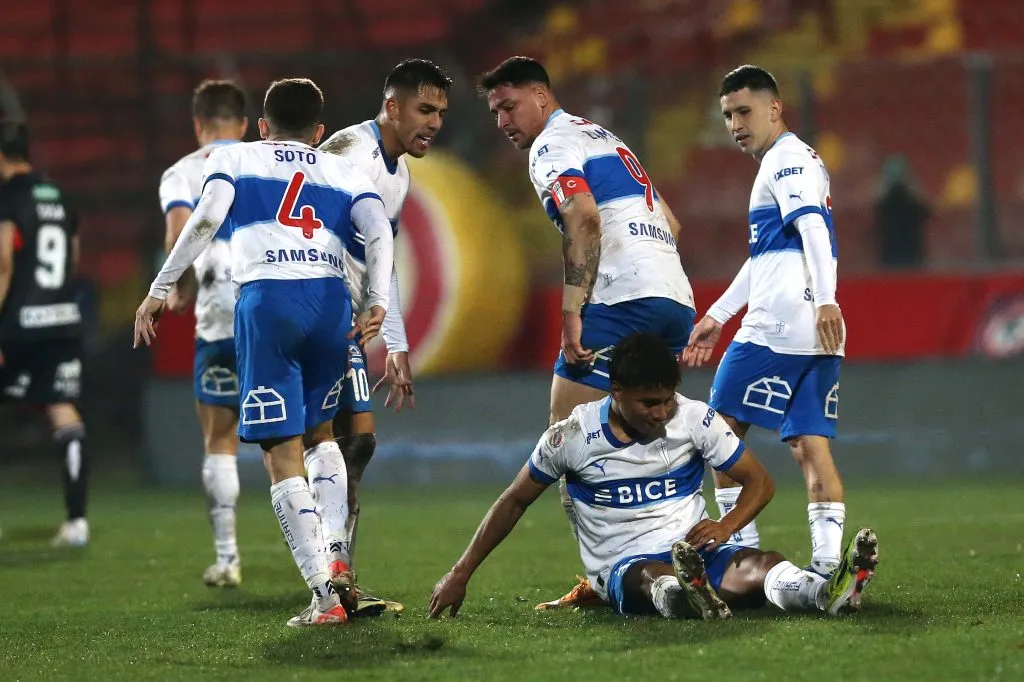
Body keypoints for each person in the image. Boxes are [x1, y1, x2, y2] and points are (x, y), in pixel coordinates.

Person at [134, 78, 395, 627]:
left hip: (267, 301)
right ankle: (338, 563)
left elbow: (204, 220)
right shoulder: (342, 170)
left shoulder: (238, 157)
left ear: (262, 125)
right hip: (328, 304)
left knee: (280, 450)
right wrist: (376, 299)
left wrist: (160, 289)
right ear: (320, 131)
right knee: (324, 437)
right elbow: (378, 231)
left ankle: (324, 600)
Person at [429, 333, 878, 620]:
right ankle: (686, 595)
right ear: (617, 392)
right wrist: (460, 572)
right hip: (623, 566)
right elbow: (513, 501)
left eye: (667, 400)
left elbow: (760, 481)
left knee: (759, 564)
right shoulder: (572, 436)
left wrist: (725, 527)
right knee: (651, 576)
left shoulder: (695, 419)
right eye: (649, 403)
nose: (661, 413)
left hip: (696, 551)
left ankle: (826, 595)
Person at [478, 56, 696, 609]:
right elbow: (670, 222)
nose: (502, 121)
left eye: (509, 105)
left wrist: (573, 308)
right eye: (494, 111)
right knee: (651, 427)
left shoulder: (551, 145)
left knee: (566, 437)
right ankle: (682, 553)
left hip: (619, 299)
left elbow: (583, 217)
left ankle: (604, 577)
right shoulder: (605, 137)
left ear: (541, 97)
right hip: (674, 298)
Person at [683, 65, 847, 578]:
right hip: (817, 337)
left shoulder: (786, 160)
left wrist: (826, 299)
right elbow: (767, 258)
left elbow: (815, 231)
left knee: (719, 436)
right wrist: (718, 314)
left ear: (775, 109)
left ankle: (740, 557)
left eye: (744, 111)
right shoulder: (792, 160)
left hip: (780, 327)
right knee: (808, 446)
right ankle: (826, 572)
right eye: (728, 114)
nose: (735, 123)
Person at [318, 58, 452, 616]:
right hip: (314, 310)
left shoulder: (399, 174)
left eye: (442, 113)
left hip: (343, 321)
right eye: (425, 109)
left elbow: (384, 261)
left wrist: (394, 342)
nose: (435, 123)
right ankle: (327, 584)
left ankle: (340, 579)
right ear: (391, 106)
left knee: (358, 445)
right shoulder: (351, 152)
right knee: (323, 447)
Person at [158, 79, 248, 587]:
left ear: (198, 125)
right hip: (279, 302)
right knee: (307, 437)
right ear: (244, 123)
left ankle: (228, 558)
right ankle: (327, 562)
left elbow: (178, 232)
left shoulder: (183, 172)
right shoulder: (266, 158)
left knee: (220, 437)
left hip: (219, 312)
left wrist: (177, 288)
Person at [0, 121, 90, 547]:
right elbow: (72, 260)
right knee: (64, 411)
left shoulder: (7, 197)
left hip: (18, 321)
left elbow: (3, 265)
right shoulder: (59, 195)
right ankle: (76, 522)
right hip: (61, 318)